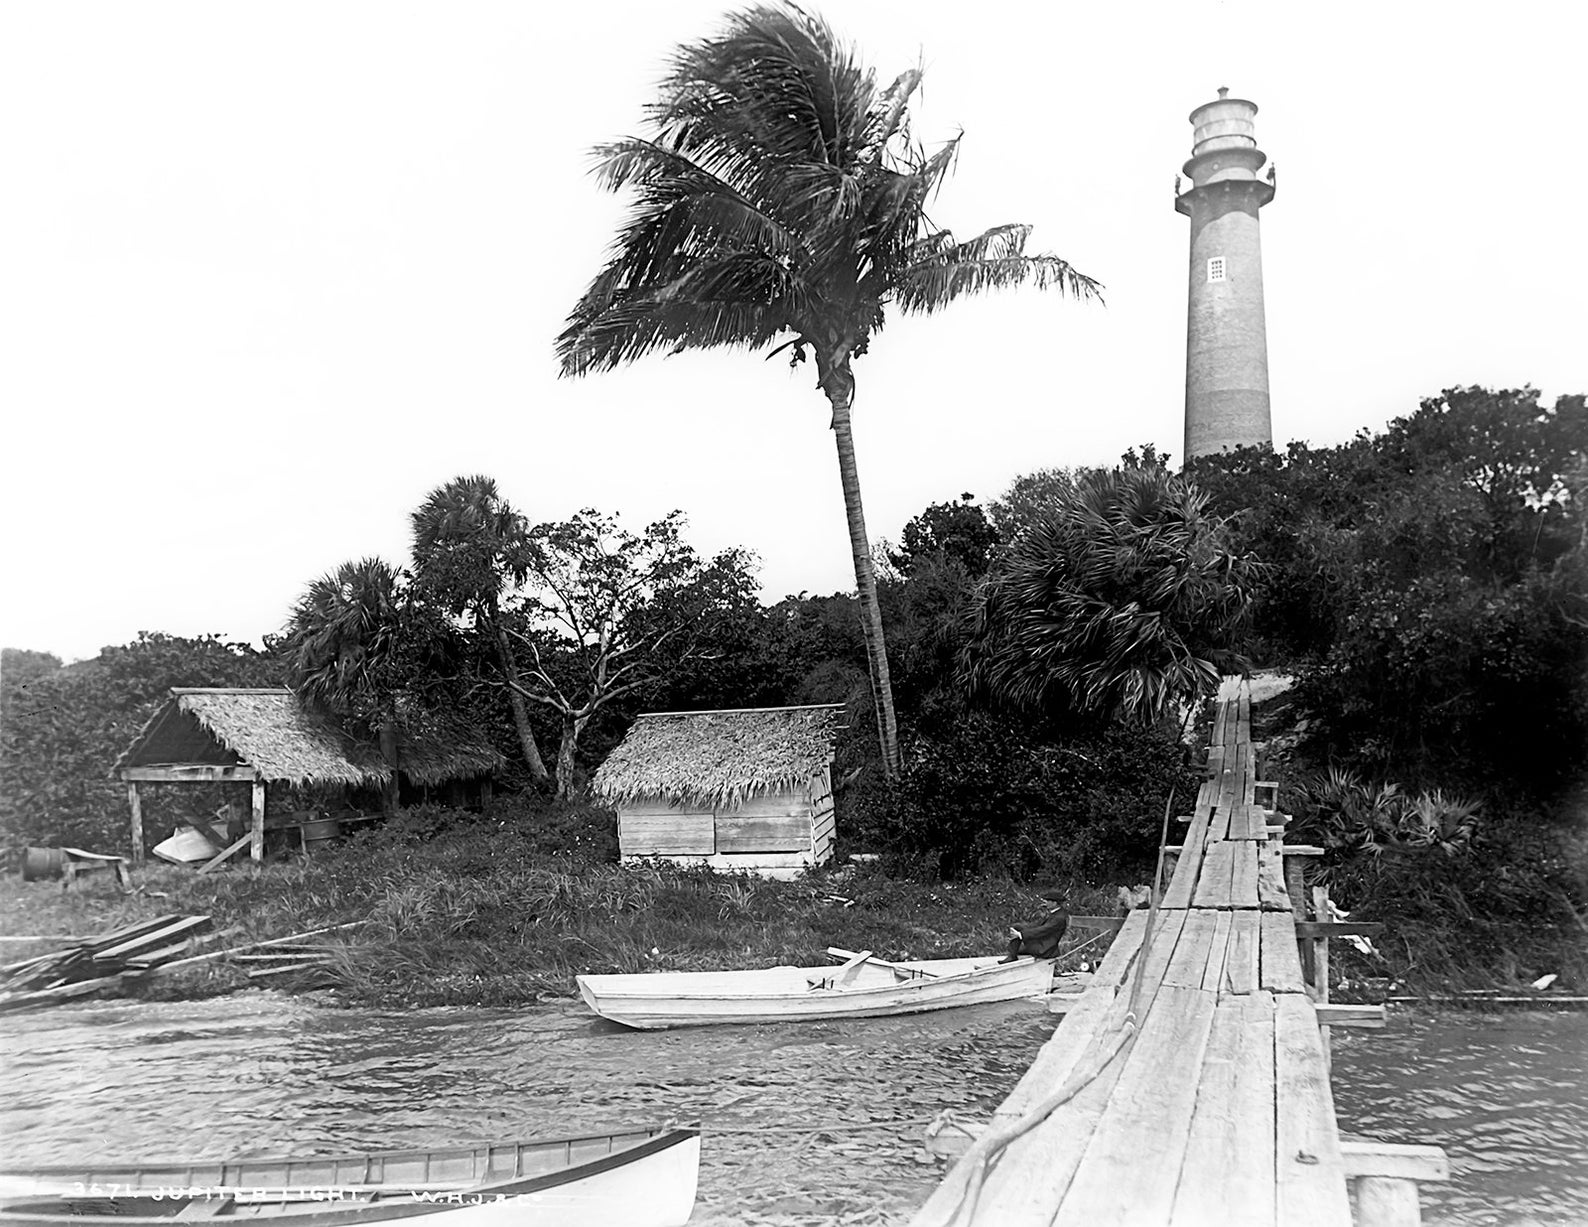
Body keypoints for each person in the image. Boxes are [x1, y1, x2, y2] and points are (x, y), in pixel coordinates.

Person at [1000, 893, 1069, 962]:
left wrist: (1020, 934)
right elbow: (1038, 926)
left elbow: (1043, 930)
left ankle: (1012, 956)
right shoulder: (1056, 914)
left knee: (1018, 945)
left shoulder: (1059, 918)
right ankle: (1012, 955)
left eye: (1048, 901)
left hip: (1045, 949)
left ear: (1055, 903)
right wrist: (1023, 929)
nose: (1045, 902)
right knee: (1017, 927)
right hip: (1042, 944)